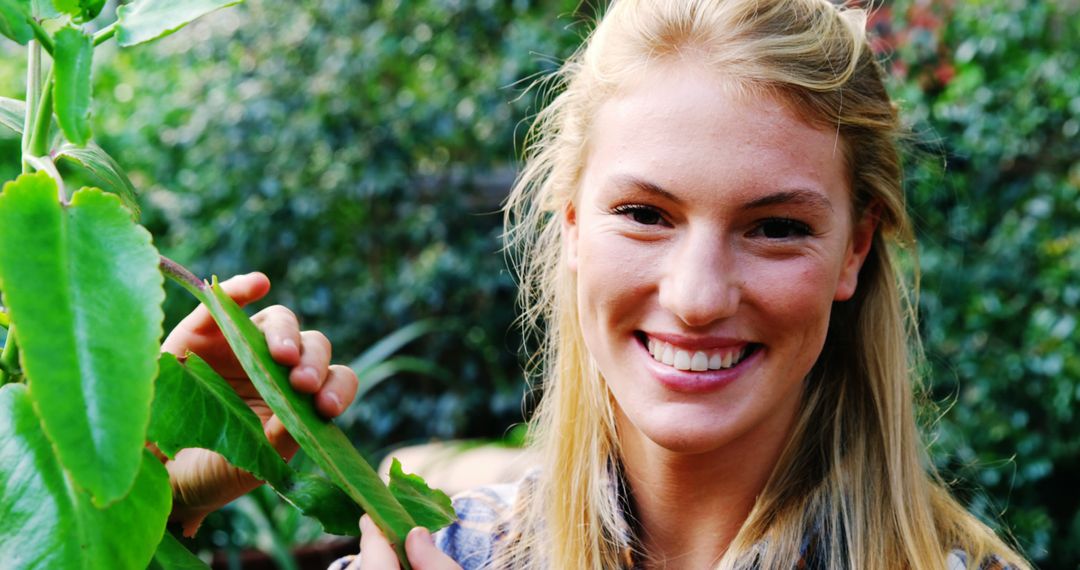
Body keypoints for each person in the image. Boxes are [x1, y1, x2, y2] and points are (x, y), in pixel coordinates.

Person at [164, 0, 1031, 568]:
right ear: (572, 222)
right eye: (646, 214)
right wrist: (151, 501)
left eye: (776, 228)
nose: (696, 296)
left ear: (854, 251)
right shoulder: (445, 554)